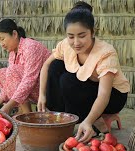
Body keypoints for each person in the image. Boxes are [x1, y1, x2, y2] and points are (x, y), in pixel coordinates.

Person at [37, 2, 130, 143]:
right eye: (71, 36)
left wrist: (88, 121)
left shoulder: (106, 53)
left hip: (113, 96)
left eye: (82, 35)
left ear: (93, 32)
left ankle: (90, 121)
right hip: (87, 87)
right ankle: (65, 117)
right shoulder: (65, 45)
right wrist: (42, 96)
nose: (76, 42)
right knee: (56, 65)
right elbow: (45, 66)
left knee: (68, 80)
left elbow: (103, 95)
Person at [0, 19, 51, 115]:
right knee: (2, 72)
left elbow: (30, 79)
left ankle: (26, 114)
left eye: (3, 39)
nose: (1, 44)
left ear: (14, 34)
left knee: (12, 71)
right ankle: (22, 110)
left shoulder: (30, 46)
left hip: (46, 90)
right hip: (32, 91)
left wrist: (8, 106)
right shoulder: (12, 53)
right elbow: (8, 84)